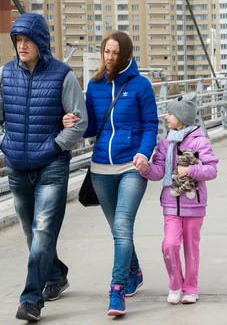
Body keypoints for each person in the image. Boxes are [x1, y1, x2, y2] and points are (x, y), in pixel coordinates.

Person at [0, 13, 88, 322]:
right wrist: (4, 143)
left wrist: (56, 146)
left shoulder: (62, 75)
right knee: (32, 233)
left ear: (41, 42)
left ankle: (31, 300)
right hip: (16, 167)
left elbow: (78, 121)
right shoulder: (4, 74)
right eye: (18, 40)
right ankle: (56, 274)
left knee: (43, 231)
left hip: (52, 167)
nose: (22, 46)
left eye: (27, 40)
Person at [63, 31, 158, 317]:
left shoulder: (141, 86)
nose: (109, 57)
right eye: (106, 51)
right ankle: (134, 271)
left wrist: (143, 153)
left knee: (122, 227)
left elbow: (151, 126)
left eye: (115, 53)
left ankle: (116, 290)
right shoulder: (94, 86)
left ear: (127, 55)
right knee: (117, 229)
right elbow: (92, 128)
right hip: (101, 169)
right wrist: (73, 121)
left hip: (132, 167)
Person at [136, 93, 219, 305]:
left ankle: (191, 287)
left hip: (195, 203)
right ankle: (175, 283)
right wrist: (146, 169)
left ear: (182, 117)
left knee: (191, 248)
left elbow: (211, 170)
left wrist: (189, 170)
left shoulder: (201, 142)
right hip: (171, 203)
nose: (166, 116)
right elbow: (158, 171)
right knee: (170, 244)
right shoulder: (165, 144)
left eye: (171, 113)